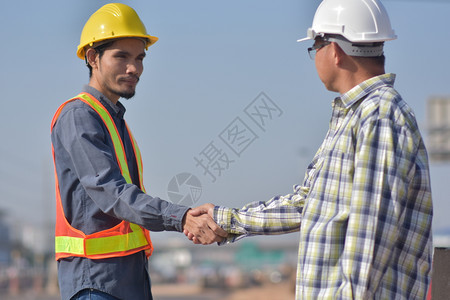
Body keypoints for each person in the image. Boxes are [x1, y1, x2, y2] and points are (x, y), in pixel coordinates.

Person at [186, 0, 433, 298]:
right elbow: (308, 204)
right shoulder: (357, 116)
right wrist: (227, 219)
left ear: (335, 51)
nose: (314, 55)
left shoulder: (379, 114)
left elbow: (371, 236)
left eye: (315, 46)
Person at [50, 3, 226, 300]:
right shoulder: (79, 116)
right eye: (121, 57)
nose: (134, 68)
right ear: (93, 57)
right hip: (96, 284)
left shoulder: (114, 120)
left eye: (140, 58)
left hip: (127, 281)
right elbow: (111, 192)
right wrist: (181, 218)